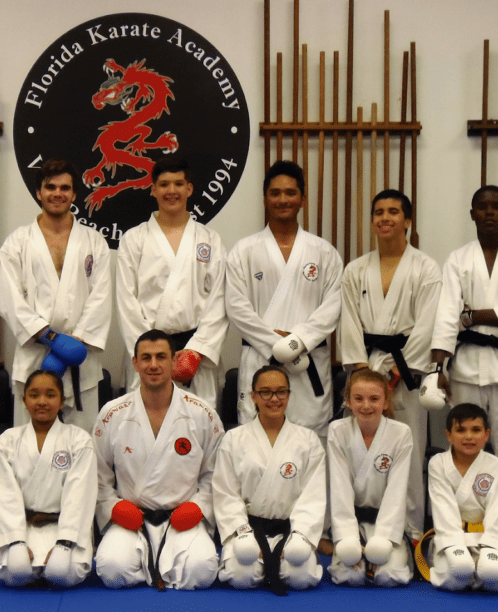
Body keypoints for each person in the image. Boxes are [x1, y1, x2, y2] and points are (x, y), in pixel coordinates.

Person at [428, 185, 498, 541]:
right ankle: (460, 528)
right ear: (472, 214)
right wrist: (438, 369)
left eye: (497, 207)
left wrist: (475, 314)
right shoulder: (458, 259)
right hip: (466, 366)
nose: (490, 213)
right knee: (463, 448)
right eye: (483, 207)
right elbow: (448, 313)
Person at [338, 189, 441, 541]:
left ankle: (410, 530)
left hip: (405, 373)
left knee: (408, 449)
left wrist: (399, 372)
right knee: (359, 448)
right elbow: (348, 321)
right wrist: (361, 376)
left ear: (408, 221)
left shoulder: (426, 268)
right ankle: (358, 527)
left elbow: (428, 322)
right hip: (366, 371)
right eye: (378, 212)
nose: (385, 218)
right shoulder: (355, 269)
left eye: (394, 211)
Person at [93, 329, 224, 590]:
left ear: (174, 361)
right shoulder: (112, 413)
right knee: (111, 570)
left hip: (182, 517)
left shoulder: (202, 413)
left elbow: (216, 474)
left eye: (161, 357)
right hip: (133, 518)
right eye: (146, 358)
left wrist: (200, 506)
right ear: (135, 363)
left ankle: (155, 562)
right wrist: (112, 506)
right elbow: (97, 475)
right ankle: (155, 561)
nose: (153, 365)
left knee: (202, 571)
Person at [225, 161, 343, 437]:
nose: (282, 200)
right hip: (260, 357)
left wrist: (297, 341)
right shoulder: (244, 251)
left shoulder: (323, 252)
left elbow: (333, 306)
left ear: (302, 199)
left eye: (290, 193)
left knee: (311, 442)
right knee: (256, 440)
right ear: (265, 198)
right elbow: (236, 307)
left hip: (308, 358)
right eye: (275, 193)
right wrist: (276, 343)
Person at [0, 159, 112, 433]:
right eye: (50, 187)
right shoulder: (17, 242)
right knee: (27, 444)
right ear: (39, 192)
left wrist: (72, 344)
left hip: (78, 358)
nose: (57, 193)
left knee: (83, 444)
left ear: (74, 194)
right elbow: (10, 300)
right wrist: (51, 338)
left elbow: (102, 296)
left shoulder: (94, 241)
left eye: (65, 188)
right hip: (35, 354)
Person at [116, 155, 228, 409]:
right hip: (149, 354)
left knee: (200, 431)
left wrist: (197, 350)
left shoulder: (210, 240)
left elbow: (219, 299)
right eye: (164, 184)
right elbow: (126, 300)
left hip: (194, 356)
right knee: (143, 431)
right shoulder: (134, 240)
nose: (171, 191)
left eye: (178, 184)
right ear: (153, 189)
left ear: (189, 189)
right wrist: (151, 353)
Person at [212, 365, 325, 594]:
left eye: (281, 391)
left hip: (290, 529)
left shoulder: (308, 440)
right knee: (240, 576)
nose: (274, 399)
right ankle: (254, 555)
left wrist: (300, 535)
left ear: (289, 395)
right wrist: (243, 534)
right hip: (249, 528)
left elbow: (314, 496)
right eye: (265, 392)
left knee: (300, 578)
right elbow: (226, 492)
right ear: (253, 395)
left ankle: (286, 554)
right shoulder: (234, 439)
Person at [0, 370, 96, 588]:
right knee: (16, 573)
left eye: (50, 395)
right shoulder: (7, 441)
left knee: (62, 574)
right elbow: (5, 496)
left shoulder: (78, 439)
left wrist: (65, 541)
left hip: (64, 525)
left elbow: (79, 496)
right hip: (24, 526)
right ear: (24, 400)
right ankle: (20, 550)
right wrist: (16, 540)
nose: (42, 402)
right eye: (34, 395)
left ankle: (63, 552)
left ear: (62, 401)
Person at [326, 369, 413, 587]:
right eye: (358, 398)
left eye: (374, 399)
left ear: (385, 402)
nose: (366, 406)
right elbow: (339, 487)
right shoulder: (338, 430)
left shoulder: (401, 433)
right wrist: (347, 538)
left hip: (384, 521)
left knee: (389, 576)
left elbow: (397, 490)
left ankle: (383, 548)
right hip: (350, 521)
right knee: (350, 576)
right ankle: (352, 547)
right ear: (348, 402)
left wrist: (382, 540)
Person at [422, 403, 498, 592]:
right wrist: (457, 546)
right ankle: (469, 572)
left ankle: (482, 572)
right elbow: (443, 509)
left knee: (491, 574)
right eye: (461, 430)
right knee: (461, 569)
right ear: (449, 435)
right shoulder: (438, 463)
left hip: (486, 536)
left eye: (476, 430)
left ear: (486, 435)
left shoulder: (496, 465)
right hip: (451, 536)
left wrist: (491, 546)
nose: (469, 436)